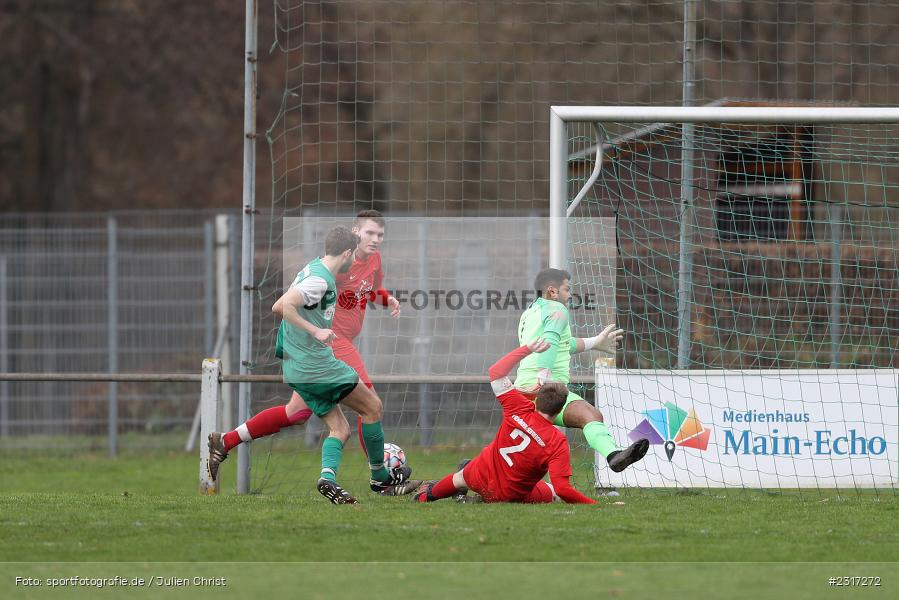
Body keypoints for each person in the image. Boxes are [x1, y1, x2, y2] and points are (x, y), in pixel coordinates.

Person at [207, 226, 419, 504]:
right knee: (372, 407)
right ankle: (380, 478)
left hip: (299, 368)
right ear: (346, 252)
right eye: (352, 254)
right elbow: (281, 306)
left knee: (335, 427)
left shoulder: (315, 267)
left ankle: (324, 478)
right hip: (317, 367)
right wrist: (315, 330)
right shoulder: (320, 280)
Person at [413, 339, 596, 504]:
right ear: (560, 409)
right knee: (553, 491)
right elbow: (564, 490)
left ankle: (425, 497)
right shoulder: (557, 441)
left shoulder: (518, 406)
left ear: (537, 399)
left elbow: (495, 371)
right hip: (509, 495)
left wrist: (527, 348)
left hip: (481, 474)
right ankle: (481, 497)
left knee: (460, 477)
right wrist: (593, 505)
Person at [515, 267, 648, 473]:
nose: (569, 295)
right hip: (544, 390)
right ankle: (613, 456)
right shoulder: (557, 310)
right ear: (552, 291)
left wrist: (595, 342)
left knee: (517, 451)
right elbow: (550, 342)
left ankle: (467, 473)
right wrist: (543, 379)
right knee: (590, 415)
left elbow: (562, 344)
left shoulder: (529, 313)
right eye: (567, 290)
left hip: (521, 390)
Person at [295, 210, 401, 454]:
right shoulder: (340, 264)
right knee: (371, 405)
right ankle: (380, 472)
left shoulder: (375, 259)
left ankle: (228, 440)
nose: (375, 239)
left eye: (380, 235)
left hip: (341, 341)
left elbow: (372, 289)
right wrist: (310, 329)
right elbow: (309, 288)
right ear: (356, 232)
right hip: (334, 342)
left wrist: (389, 300)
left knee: (296, 412)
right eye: (369, 233)